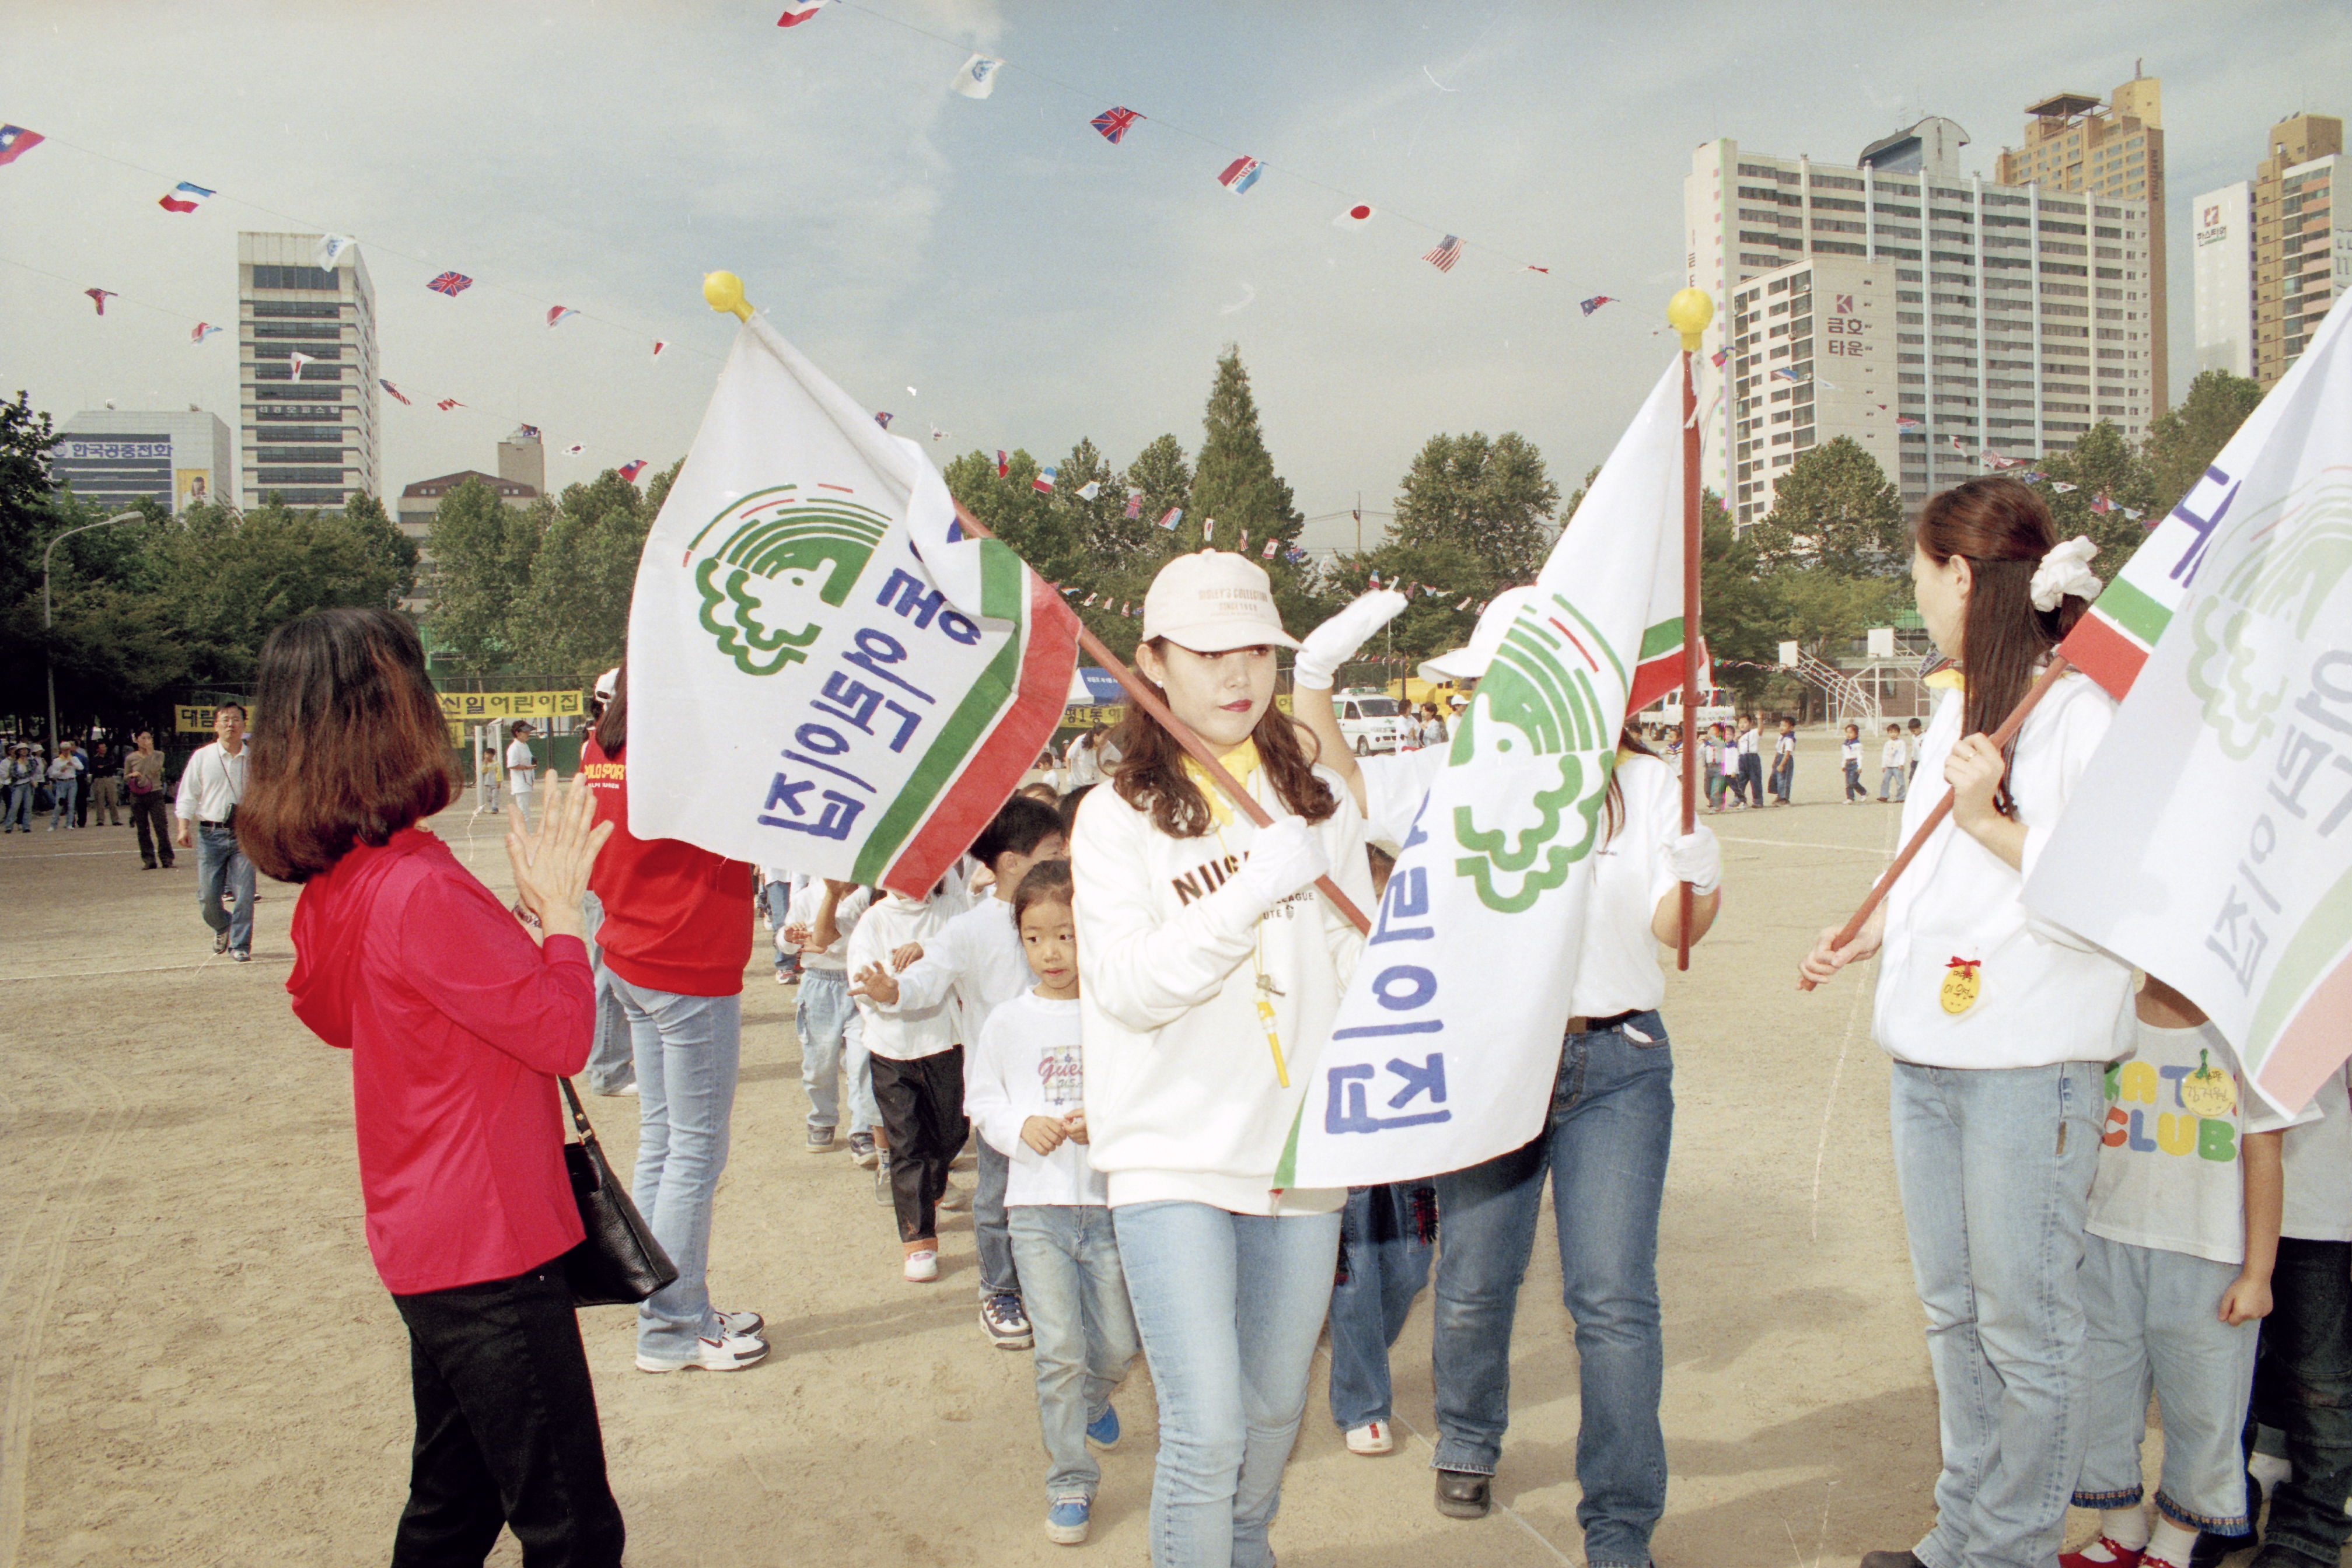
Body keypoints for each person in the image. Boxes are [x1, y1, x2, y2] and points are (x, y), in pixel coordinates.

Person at [1294, 584, 1723, 1552]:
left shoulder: (1649, 787)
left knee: (1612, 1298)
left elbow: (1674, 929)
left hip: (1618, 1057)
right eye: (1484, 684)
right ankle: (1470, 1441)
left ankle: (1618, 1517)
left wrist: (1697, 877)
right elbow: (1340, 789)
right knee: (1479, 1274)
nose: (1491, 699)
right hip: (1493, 1050)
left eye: (1506, 681)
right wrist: (1313, 678)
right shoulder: (1455, 770)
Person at [245, 606, 626, 1567]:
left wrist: (512, 934)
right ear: (390, 713)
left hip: (428, 1234)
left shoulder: (351, 880)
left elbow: (336, 1012)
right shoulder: (417, 884)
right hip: (490, 1245)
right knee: (574, 1529)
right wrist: (558, 918)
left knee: (454, 1504)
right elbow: (564, 1032)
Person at [1801, 478, 2133, 1568]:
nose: (1917, 595)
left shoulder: (2077, 712)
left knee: (2026, 1327)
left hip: (2027, 1066)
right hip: (1931, 1057)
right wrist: (1876, 932)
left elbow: (2107, 900)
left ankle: (2013, 1546)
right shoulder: (1960, 703)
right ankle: (1963, 1533)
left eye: (1919, 575)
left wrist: (1995, 820)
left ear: (1959, 576)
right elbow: (1936, 872)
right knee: (1953, 1314)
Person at [1071, 549, 1374, 1568]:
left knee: (1272, 1412)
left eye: (1258, 648)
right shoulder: (1114, 816)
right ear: (1151, 662)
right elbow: (1126, 984)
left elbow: (1353, 955)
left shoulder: (1319, 795)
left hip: (1299, 1150)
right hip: (1171, 1148)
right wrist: (1246, 890)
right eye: (1208, 652)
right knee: (1206, 1429)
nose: (1239, 673)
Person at [2061, 976, 2298, 1568]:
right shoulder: (2103, 1016)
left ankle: (2173, 1543)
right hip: (2103, 1242)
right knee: (2099, 1394)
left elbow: (2263, 1156)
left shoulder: (2247, 1036)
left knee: (2203, 1410)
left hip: (2207, 1260)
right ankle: (2120, 1530)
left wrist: (2257, 1274)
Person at [581, 664, 768, 1374]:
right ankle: (671, 1327)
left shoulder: (604, 746)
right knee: (692, 1153)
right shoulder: (683, 757)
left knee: (665, 1144)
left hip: (637, 956)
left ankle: (674, 1307)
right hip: (686, 966)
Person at [965, 858, 1140, 1546]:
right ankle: (1069, 1480)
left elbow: (1140, 1089)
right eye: (1035, 937)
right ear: (1019, 939)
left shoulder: (1115, 1013)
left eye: (1065, 935)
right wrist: (1018, 1129)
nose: (1051, 952)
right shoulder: (1007, 1022)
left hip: (1109, 1207)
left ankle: (1095, 1397)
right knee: (1058, 1349)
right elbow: (983, 1100)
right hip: (1034, 1211)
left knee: (1119, 1344)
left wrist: (1107, 1119)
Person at [851, 794, 1067, 1347]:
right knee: (997, 1198)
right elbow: (929, 975)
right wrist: (893, 990)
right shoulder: (972, 929)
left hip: (1068, 1081)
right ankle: (1000, 1291)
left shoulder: (1076, 912)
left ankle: (1064, 1290)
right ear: (1012, 863)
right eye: (1052, 850)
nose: (1064, 856)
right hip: (1006, 1097)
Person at [2247, 1058, 2352, 1568]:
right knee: (2223, 1379)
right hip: (2223, 1201)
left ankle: (2310, 1527)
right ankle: (2217, 1508)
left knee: (2320, 1385)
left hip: (2322, 1206)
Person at [846, 874, 966, 1282]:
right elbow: (861, 981)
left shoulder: (951, 910)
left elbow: (968, 954)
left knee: (952, 1132)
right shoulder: (874, 921)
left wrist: (928, 949)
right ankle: (918, 1241)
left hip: (945, 1041)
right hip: (891, 1046)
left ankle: (931, 1186)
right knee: (906, 1140)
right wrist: (882, 990)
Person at [787, 878, 875, 1159]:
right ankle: (821, 1118)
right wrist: (790, 937)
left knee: (862, 1061)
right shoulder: (807, 896)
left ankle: (863, 1130)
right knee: (819, 1061)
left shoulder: (870, 895)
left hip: (859, 982)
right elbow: (787, 941)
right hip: (820, 984)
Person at [176, 704, 254, 961]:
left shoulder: (254, 759)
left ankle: (240, 945)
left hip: (244, 834)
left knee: (244, 893)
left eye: (236, 719)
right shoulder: (203, 757)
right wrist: (183, 826)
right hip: (210, 834)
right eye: (225, 720)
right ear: (216, 725)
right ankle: (223, 924)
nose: (231, 724)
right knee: (208, 897)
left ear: (244, 725)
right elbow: (188, 793)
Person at [125, 730, 173, 866]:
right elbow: (125, 776)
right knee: (142, 829)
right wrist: (132, 776)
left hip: (155, 793)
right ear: (137, 740)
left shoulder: (159, 755)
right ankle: (148, 859)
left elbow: (154, 769)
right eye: (143, 738)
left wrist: (150, 753)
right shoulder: (131, 758)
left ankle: (166, 858)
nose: (146, 741)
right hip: (138, 795)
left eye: (149, 738)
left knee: (161, 826)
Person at [504, 721, 540, 830]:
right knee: (523, 812)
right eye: (525, 732)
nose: (528, 734)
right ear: (517, 733)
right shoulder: (514, 747)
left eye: (528, 731)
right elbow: (512, 765)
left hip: (527, 781)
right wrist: (527, 767)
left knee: (525, 811)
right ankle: (525, 835)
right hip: (520, 782)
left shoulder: (524, 745)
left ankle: (525, 834)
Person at [44, 740, 82, 830]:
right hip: (61, 783)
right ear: (61, 750)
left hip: (72, 782)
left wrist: (72, 764)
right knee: (59, 804)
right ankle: (53, 824)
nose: (66, 752)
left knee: (71, 804)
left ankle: (69, 823)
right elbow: (53, 774)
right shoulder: (57, 760)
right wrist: (61, 770)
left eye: (68, 750)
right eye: (64, 750)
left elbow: (81, 767)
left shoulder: (74, 759)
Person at [85, 740, 122, 826]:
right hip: (99, 780)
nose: (104, 749)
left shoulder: (110, 758)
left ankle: (115, 819)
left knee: (113, 800)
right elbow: (95, 769)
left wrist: (104, 767)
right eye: (101, 747)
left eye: (104, 747)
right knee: (100, 800)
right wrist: (104, 768)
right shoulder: (95, 759)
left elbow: (113, 767)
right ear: (98, 749)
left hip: (109, 779)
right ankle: (100, 820)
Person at [3, 742, 35, 831]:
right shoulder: (15, 762)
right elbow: (13, 773)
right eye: (22, 750)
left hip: (28, 785)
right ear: (19, 752)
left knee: (28, 806)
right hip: (18, 785)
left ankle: (26, 826)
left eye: (26, 750)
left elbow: (32, 771)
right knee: (14, 806)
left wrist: (25, 769)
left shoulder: (31, 761)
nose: (24, 752)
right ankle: (9, 826)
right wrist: (24, 775)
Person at [1734, 711, 1764, 808]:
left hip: (1752, 758)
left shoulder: (1753, 733)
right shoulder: (1738, 737)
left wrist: (1760, 718)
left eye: (1745, 722)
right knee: (1740, 780)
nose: (1742, 725)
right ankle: (1740, 799)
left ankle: (1758, 801)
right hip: (1742, 759)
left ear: (1750, 724)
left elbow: (1760, 730)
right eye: (1740, 723)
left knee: (1755, 780)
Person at [1880, 722, 1911, 803]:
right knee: (1885, 781)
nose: (1893, 734)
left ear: (1898, 733)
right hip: (1889, 766)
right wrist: (1884, 765)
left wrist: (1901, 764)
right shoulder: (1887, 743)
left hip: (1897, 766)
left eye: (1895, 732)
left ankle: (1901, 797)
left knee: (1900, 782)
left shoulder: (1901, 743)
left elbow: (1903, 753)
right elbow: (1885, 755)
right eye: (1891, 732)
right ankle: (1884, 796)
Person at [1770, 716, 1797, 805]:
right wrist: (1775, 762)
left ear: (1791, 728)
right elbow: (1778, 751)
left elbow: (1788, 753)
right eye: (1781, 725)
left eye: (1785, 726)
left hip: (1786, 760)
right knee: (1777, 778)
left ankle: (1785, 798)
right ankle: (1779, 796)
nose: (1782, 728)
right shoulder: (1781, 738)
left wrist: (1782, 764)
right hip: (1779, 758)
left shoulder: (1790, 739)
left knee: (1784, 779)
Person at [1842, 722, 1865, 803]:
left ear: (1856, 734)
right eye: (1847, 732)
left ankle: (1863, 792)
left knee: (1853, 781)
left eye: (1851, 732)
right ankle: (1850, 798)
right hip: (1848, 764)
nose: (1849, 735)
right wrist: (1843, 764)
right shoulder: (1845, 744)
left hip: (1855, 764)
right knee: (1848, 782)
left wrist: (1860, 766)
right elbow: (1845, 755)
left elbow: (1860, 756)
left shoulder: (1858, 745)